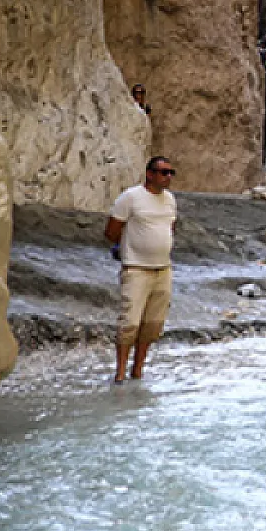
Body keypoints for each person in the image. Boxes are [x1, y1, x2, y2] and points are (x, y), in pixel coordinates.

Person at [104, 156, 178, 383]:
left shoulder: (170, 200)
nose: (168, 177)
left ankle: (138, 370)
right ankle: (120, 372)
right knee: (130, 322)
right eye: (163, 172)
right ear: (150, 174)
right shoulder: (131, 197)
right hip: (136, 268)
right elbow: (112, 230)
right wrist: (124, 248)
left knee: (153, 324)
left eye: (170, 173)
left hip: (163, 269)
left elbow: (170, 227)